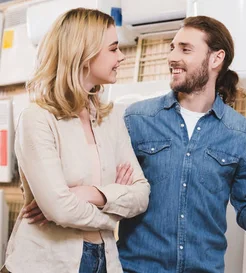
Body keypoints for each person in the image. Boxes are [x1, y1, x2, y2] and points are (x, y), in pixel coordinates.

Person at [117, 16, 246, 273]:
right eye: (172, 47)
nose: (172, 57)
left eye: (185, 49)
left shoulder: (240, 133)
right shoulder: (138, 119)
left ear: (216, 59)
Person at [3, 8, 150, 273]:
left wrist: (91, 194)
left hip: (104, 259)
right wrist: (114, 210)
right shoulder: (37, 119)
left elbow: (141, 195)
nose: (122, 56)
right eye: (113, 49)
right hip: (45, 263)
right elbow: (60, 210)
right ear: (85, 54)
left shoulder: (112, 118)